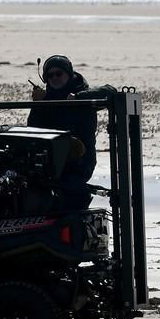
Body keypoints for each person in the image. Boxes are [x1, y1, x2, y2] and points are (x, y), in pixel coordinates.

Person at [26, 54, 113, 208]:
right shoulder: (46, 98)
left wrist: (78, 98)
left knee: (70, 192)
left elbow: (111, 91)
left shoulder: (82, 92)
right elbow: (33, 128)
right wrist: (38, 105)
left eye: (59, 74)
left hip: (79, 161)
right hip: (50, 160)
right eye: (50, 75)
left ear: (68, 74)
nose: (54, 78)